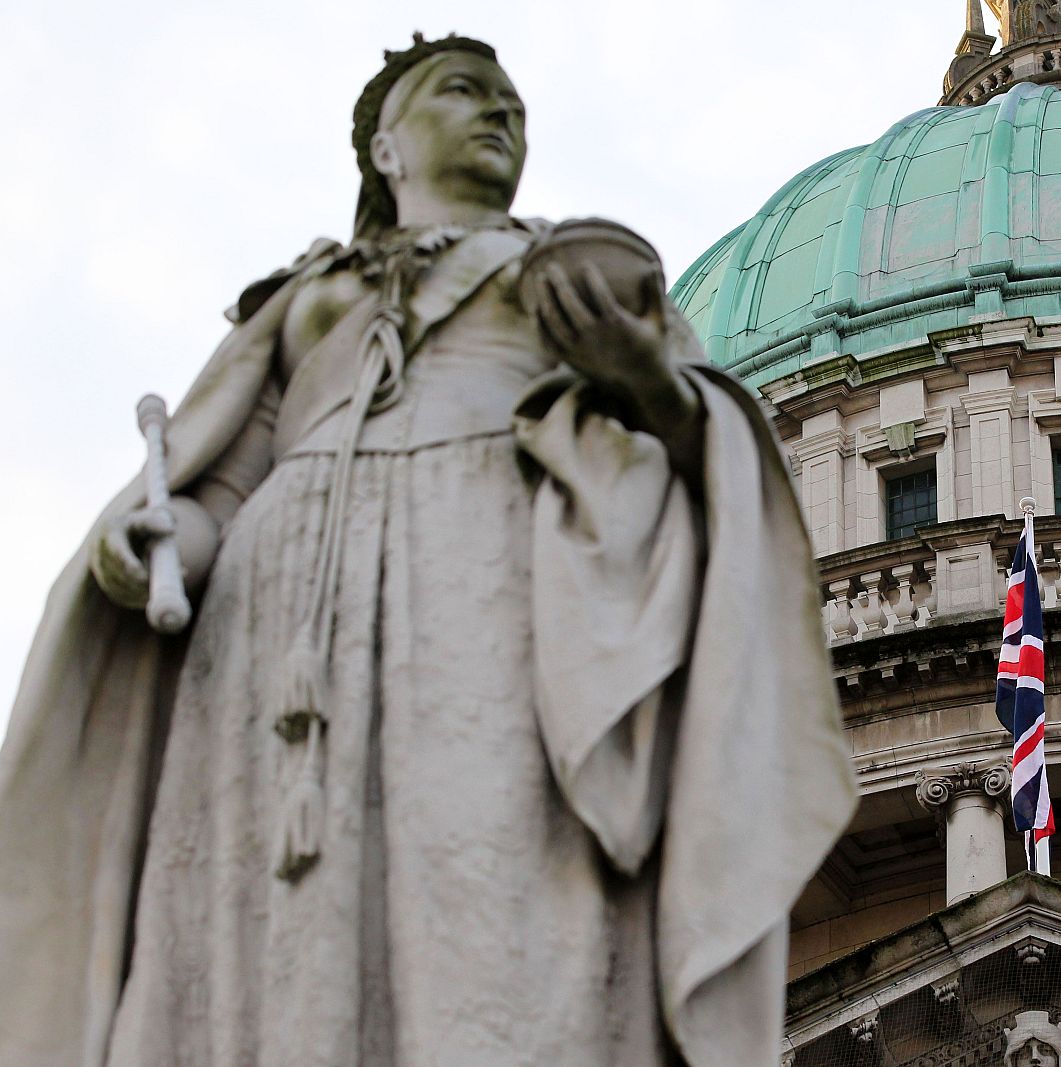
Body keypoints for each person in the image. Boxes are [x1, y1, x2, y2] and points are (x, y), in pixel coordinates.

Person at [0, 33, 855, 1067]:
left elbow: (698, 449)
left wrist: (646, 381)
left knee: (496, 878)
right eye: (464, 92)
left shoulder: (568, 269)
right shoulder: (302, 299)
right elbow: (217, 484)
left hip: (488, 577)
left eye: (512, 102)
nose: (499, 114)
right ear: (388, 150)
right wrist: (148, 539)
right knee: (274, 915)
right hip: (278, 627)